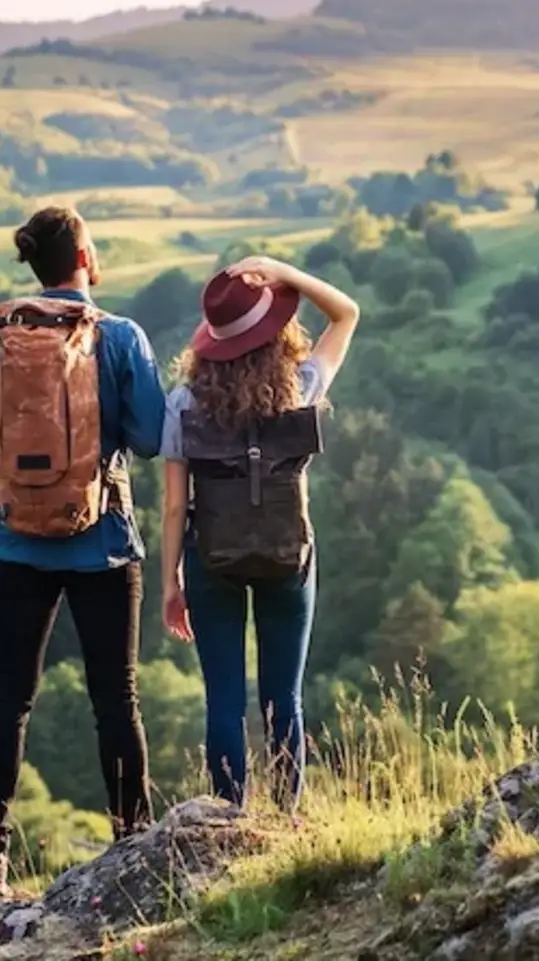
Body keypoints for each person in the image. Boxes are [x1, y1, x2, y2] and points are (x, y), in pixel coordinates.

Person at [0, 206, 167, 898]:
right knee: (116, 698)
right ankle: (133, 840)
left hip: (16, 541)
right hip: (101, 540)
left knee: (8, 697)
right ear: (84, 257)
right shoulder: (121, 336)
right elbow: (156, 436)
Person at [158, 255, 360, 809]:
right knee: (283, 697)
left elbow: (175, 508)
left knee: (223, 700)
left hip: (211, 559)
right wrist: (284, 273)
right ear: (276, 334)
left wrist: (171, 585)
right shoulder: (302, 386)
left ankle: (228, 816)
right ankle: (289, 814)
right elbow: (346, 314)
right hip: (288, 559)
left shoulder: (184, 403)